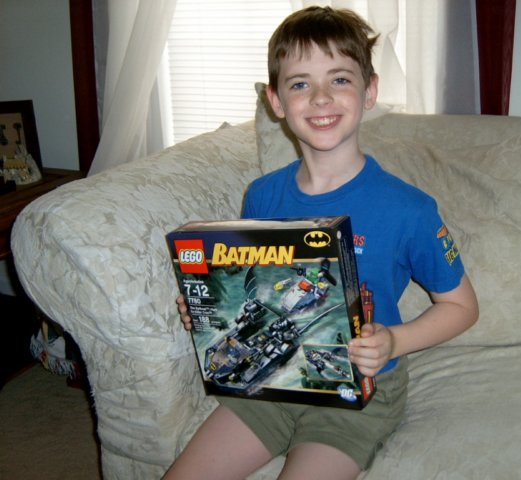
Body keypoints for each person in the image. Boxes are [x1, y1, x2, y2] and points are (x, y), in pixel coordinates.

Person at [164, 6, 478, 480]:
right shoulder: (262, 195)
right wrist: (206, 309)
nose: (320, 97)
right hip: (272, 380)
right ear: (276, 102)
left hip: (358, 388)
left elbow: (462, 307)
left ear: (369, 91)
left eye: (340, 79)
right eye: (299, 84)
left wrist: (394, 340)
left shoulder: (408, 208)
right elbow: (254, 281)